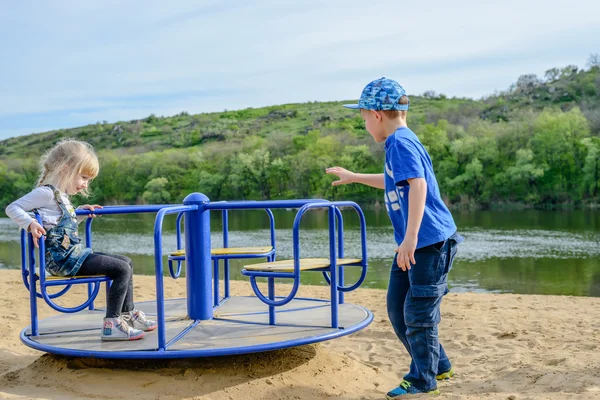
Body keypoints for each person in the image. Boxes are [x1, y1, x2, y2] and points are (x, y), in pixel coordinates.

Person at [326, 77, 463, 397]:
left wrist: (411, 238)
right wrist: (354, 177)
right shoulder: (401, 141)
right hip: (417, 242)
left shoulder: (400, 142)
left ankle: (422, 381)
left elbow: (418, 185)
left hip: (428, 243)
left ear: (376, 114)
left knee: (418, 313)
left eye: (362, 118)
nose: (364, 125)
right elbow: (395, 181)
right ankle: (438, 365)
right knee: (397, 307)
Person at [5, 139, 157, 341]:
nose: (85, 184)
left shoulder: (62, 196)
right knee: (121, 269)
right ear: (66, 169)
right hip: (62, 260)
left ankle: (127, 315)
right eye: (84, 177)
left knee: (126, 261)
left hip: (73, 255)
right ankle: (112, 324)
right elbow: (12, 208)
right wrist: (30, 224)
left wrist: (82, 213)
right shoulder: (45, 193)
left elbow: (61, 223)